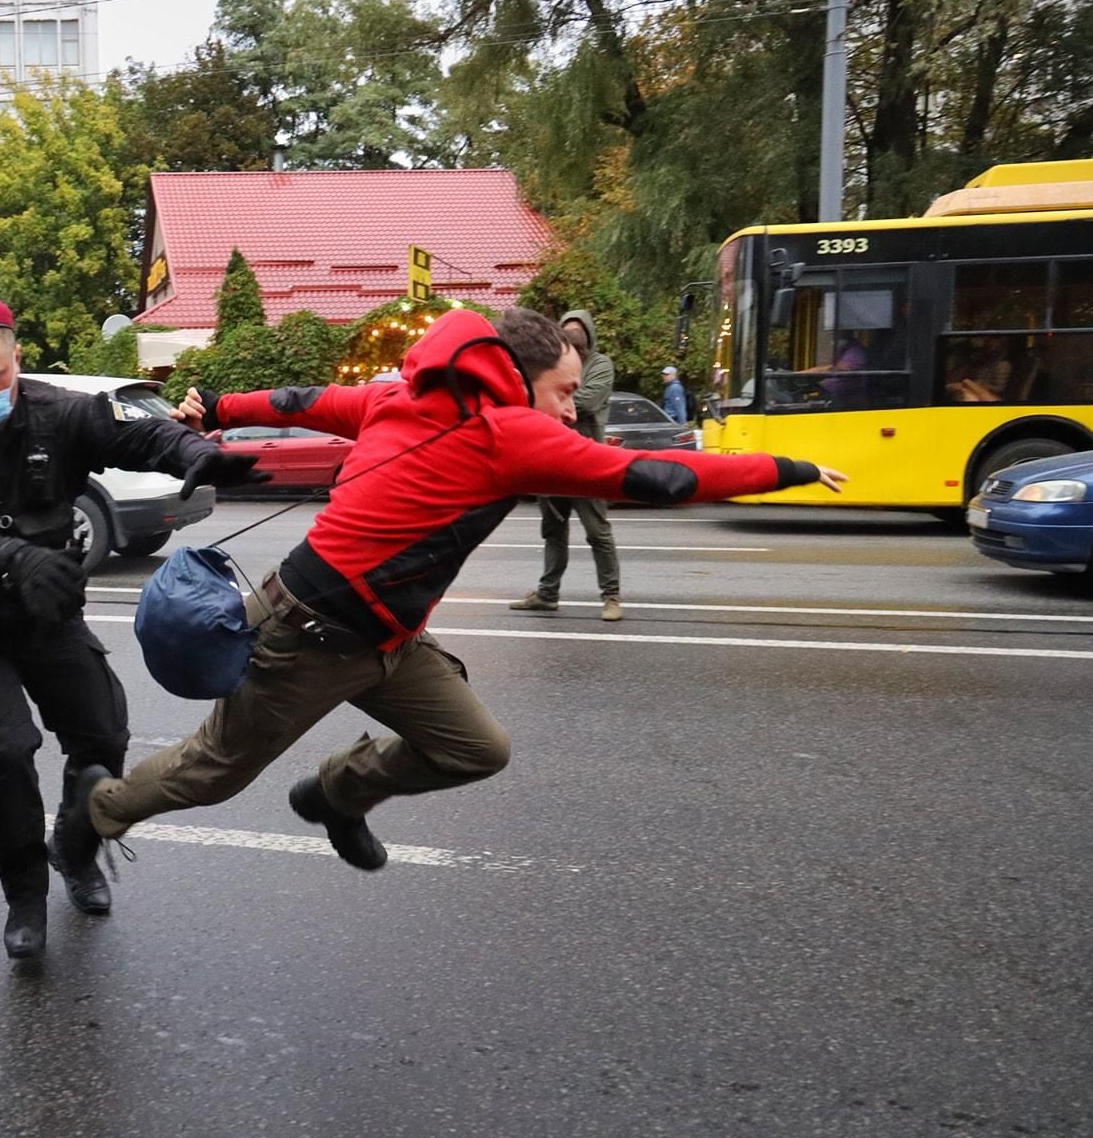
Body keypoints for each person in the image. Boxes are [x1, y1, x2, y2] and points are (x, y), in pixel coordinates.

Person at [48, 308, 846, 884]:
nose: (573, 409)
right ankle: (96, 813)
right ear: (518, 379)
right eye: (564, 391)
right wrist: (790, 469)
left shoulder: (406, 395)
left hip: (389, 638)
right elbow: (661, 477)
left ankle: (334, 792)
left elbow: (305, 400)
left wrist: (223, 405)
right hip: (312, 631)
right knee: (213, 771)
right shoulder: (510, 434)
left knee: (476, 748)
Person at [0, 297, 265, 962]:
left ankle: (75, 850)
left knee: (101, 732)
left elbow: (141, 436)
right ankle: (24, 896)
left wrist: (194, 451)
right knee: (5, 748)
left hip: (45, 615)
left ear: (17, 360)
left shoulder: (61, 413)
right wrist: (12, 555)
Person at [510, 310, 624, 621]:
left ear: (588, 335)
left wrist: (551, 397)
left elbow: (585, 402)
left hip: (587, 462)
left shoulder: (600, 365)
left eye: (578, 331)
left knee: (597, 533)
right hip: (552, 459)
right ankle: (547, 595)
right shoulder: (552, 363)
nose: (573, 336)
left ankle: (611, 597)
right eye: (567, 331)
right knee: (553, 531)